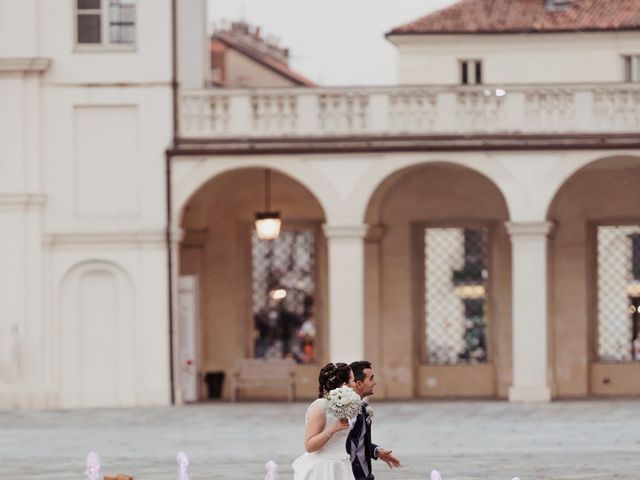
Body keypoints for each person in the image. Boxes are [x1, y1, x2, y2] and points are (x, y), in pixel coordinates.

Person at [292, 363, 358, 480]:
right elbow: (309, 445)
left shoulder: (343, 406)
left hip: (342, 466)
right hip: (323, 469)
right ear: (344, 385)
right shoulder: (320, 406)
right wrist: (333, 428)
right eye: (352, 380)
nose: (355, 383)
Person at [346, 360, 400, 480]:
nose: (374, 383)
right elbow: (344, 445)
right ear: (359, 384)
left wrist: (376, 451)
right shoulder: (343, 411)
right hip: (352, 474)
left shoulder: (364, 408)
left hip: (365, 475)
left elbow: (358, 442)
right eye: (371, 379)